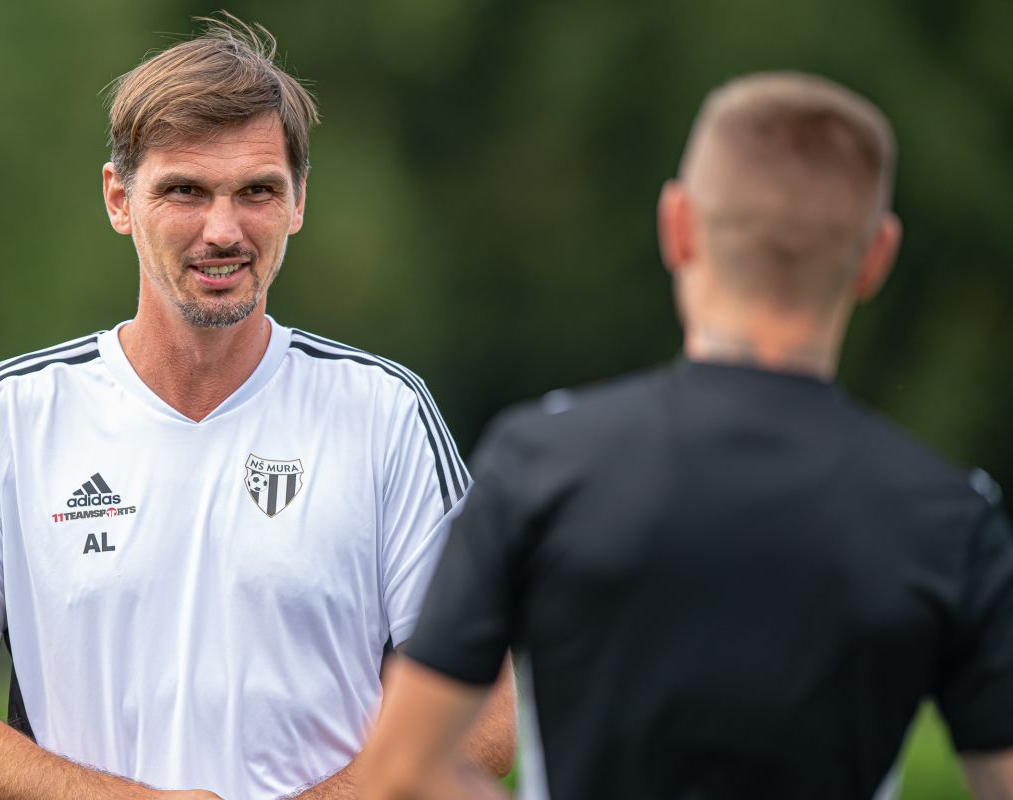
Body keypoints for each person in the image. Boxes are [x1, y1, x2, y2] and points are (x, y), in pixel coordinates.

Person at [0, 15, 514, 800]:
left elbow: (483, 718)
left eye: (257, 191)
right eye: (185, 190)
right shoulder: (8, 416)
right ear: (119, 199)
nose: (223, 230)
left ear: (298, 202)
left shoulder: (386, 413)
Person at [362, 71, 1013, 800]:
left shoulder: (543, 463)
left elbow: (403, 771)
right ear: (876, 256)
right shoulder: (950, 518)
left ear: (677, 224)